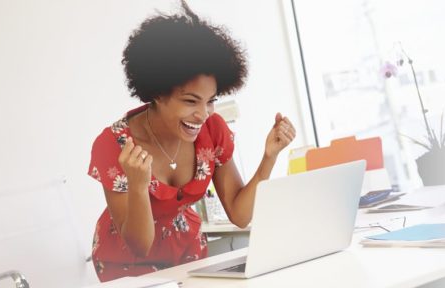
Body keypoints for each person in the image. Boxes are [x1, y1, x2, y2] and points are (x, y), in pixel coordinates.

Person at [87, 0, 296, 282]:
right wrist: (138, 185)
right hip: (127, 266)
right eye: (190, 101)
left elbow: (239, 214)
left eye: (211, 101)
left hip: (187, 254)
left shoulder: (213, 130)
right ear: (157, 93)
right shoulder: (114, 145)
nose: (203, 114)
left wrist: (269, 157)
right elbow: (139, 246)